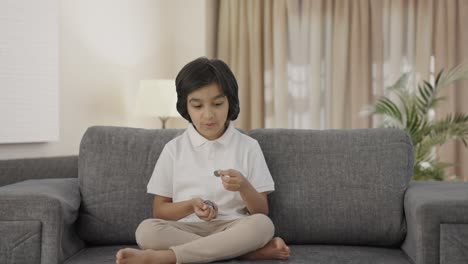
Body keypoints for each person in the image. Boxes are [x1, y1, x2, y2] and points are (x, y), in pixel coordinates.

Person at [116, 57, 290, 264]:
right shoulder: (173, 150)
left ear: (230, 102)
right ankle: (243, 252)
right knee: (146, 230)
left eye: (217, 104)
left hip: (233, 227)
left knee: (262, 225)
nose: (208, 115)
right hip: (188, 227)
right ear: (185, 107)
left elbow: (261, 210)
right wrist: (190, 205)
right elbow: (159, 210)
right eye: (197, 106)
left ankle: (169, 257)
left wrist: (243, 185)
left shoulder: (249, 147)